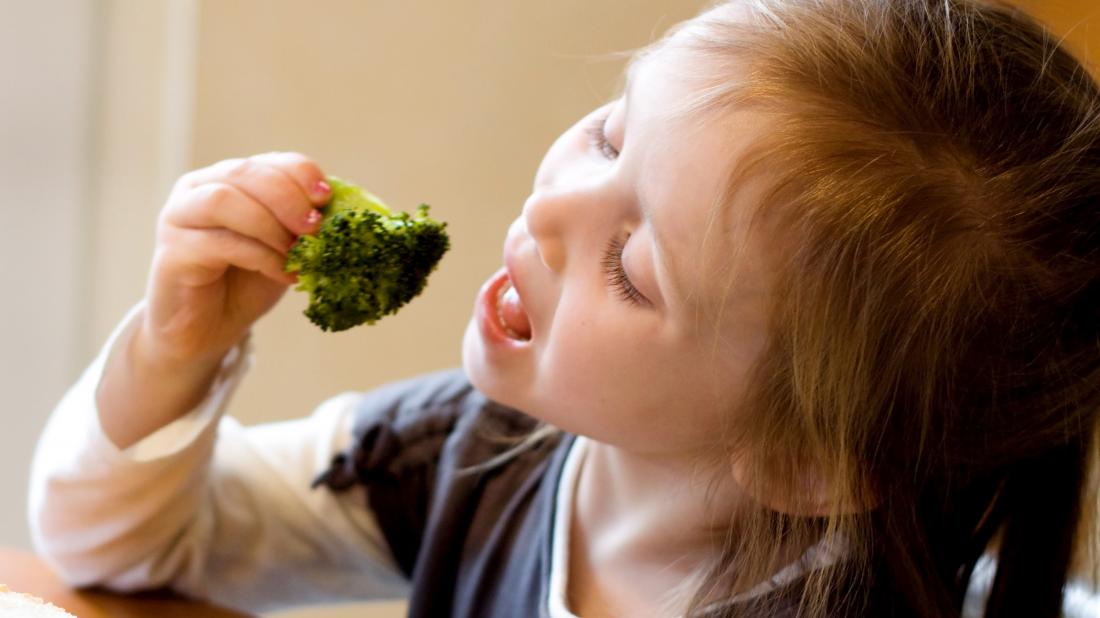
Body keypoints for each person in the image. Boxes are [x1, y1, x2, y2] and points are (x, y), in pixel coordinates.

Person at [27, 0, 1100, 616]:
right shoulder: (470, 455)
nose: (546, 211)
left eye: (631, 267)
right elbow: (122, 549)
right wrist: (175, 349)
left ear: (803, 465)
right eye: (607, 135)